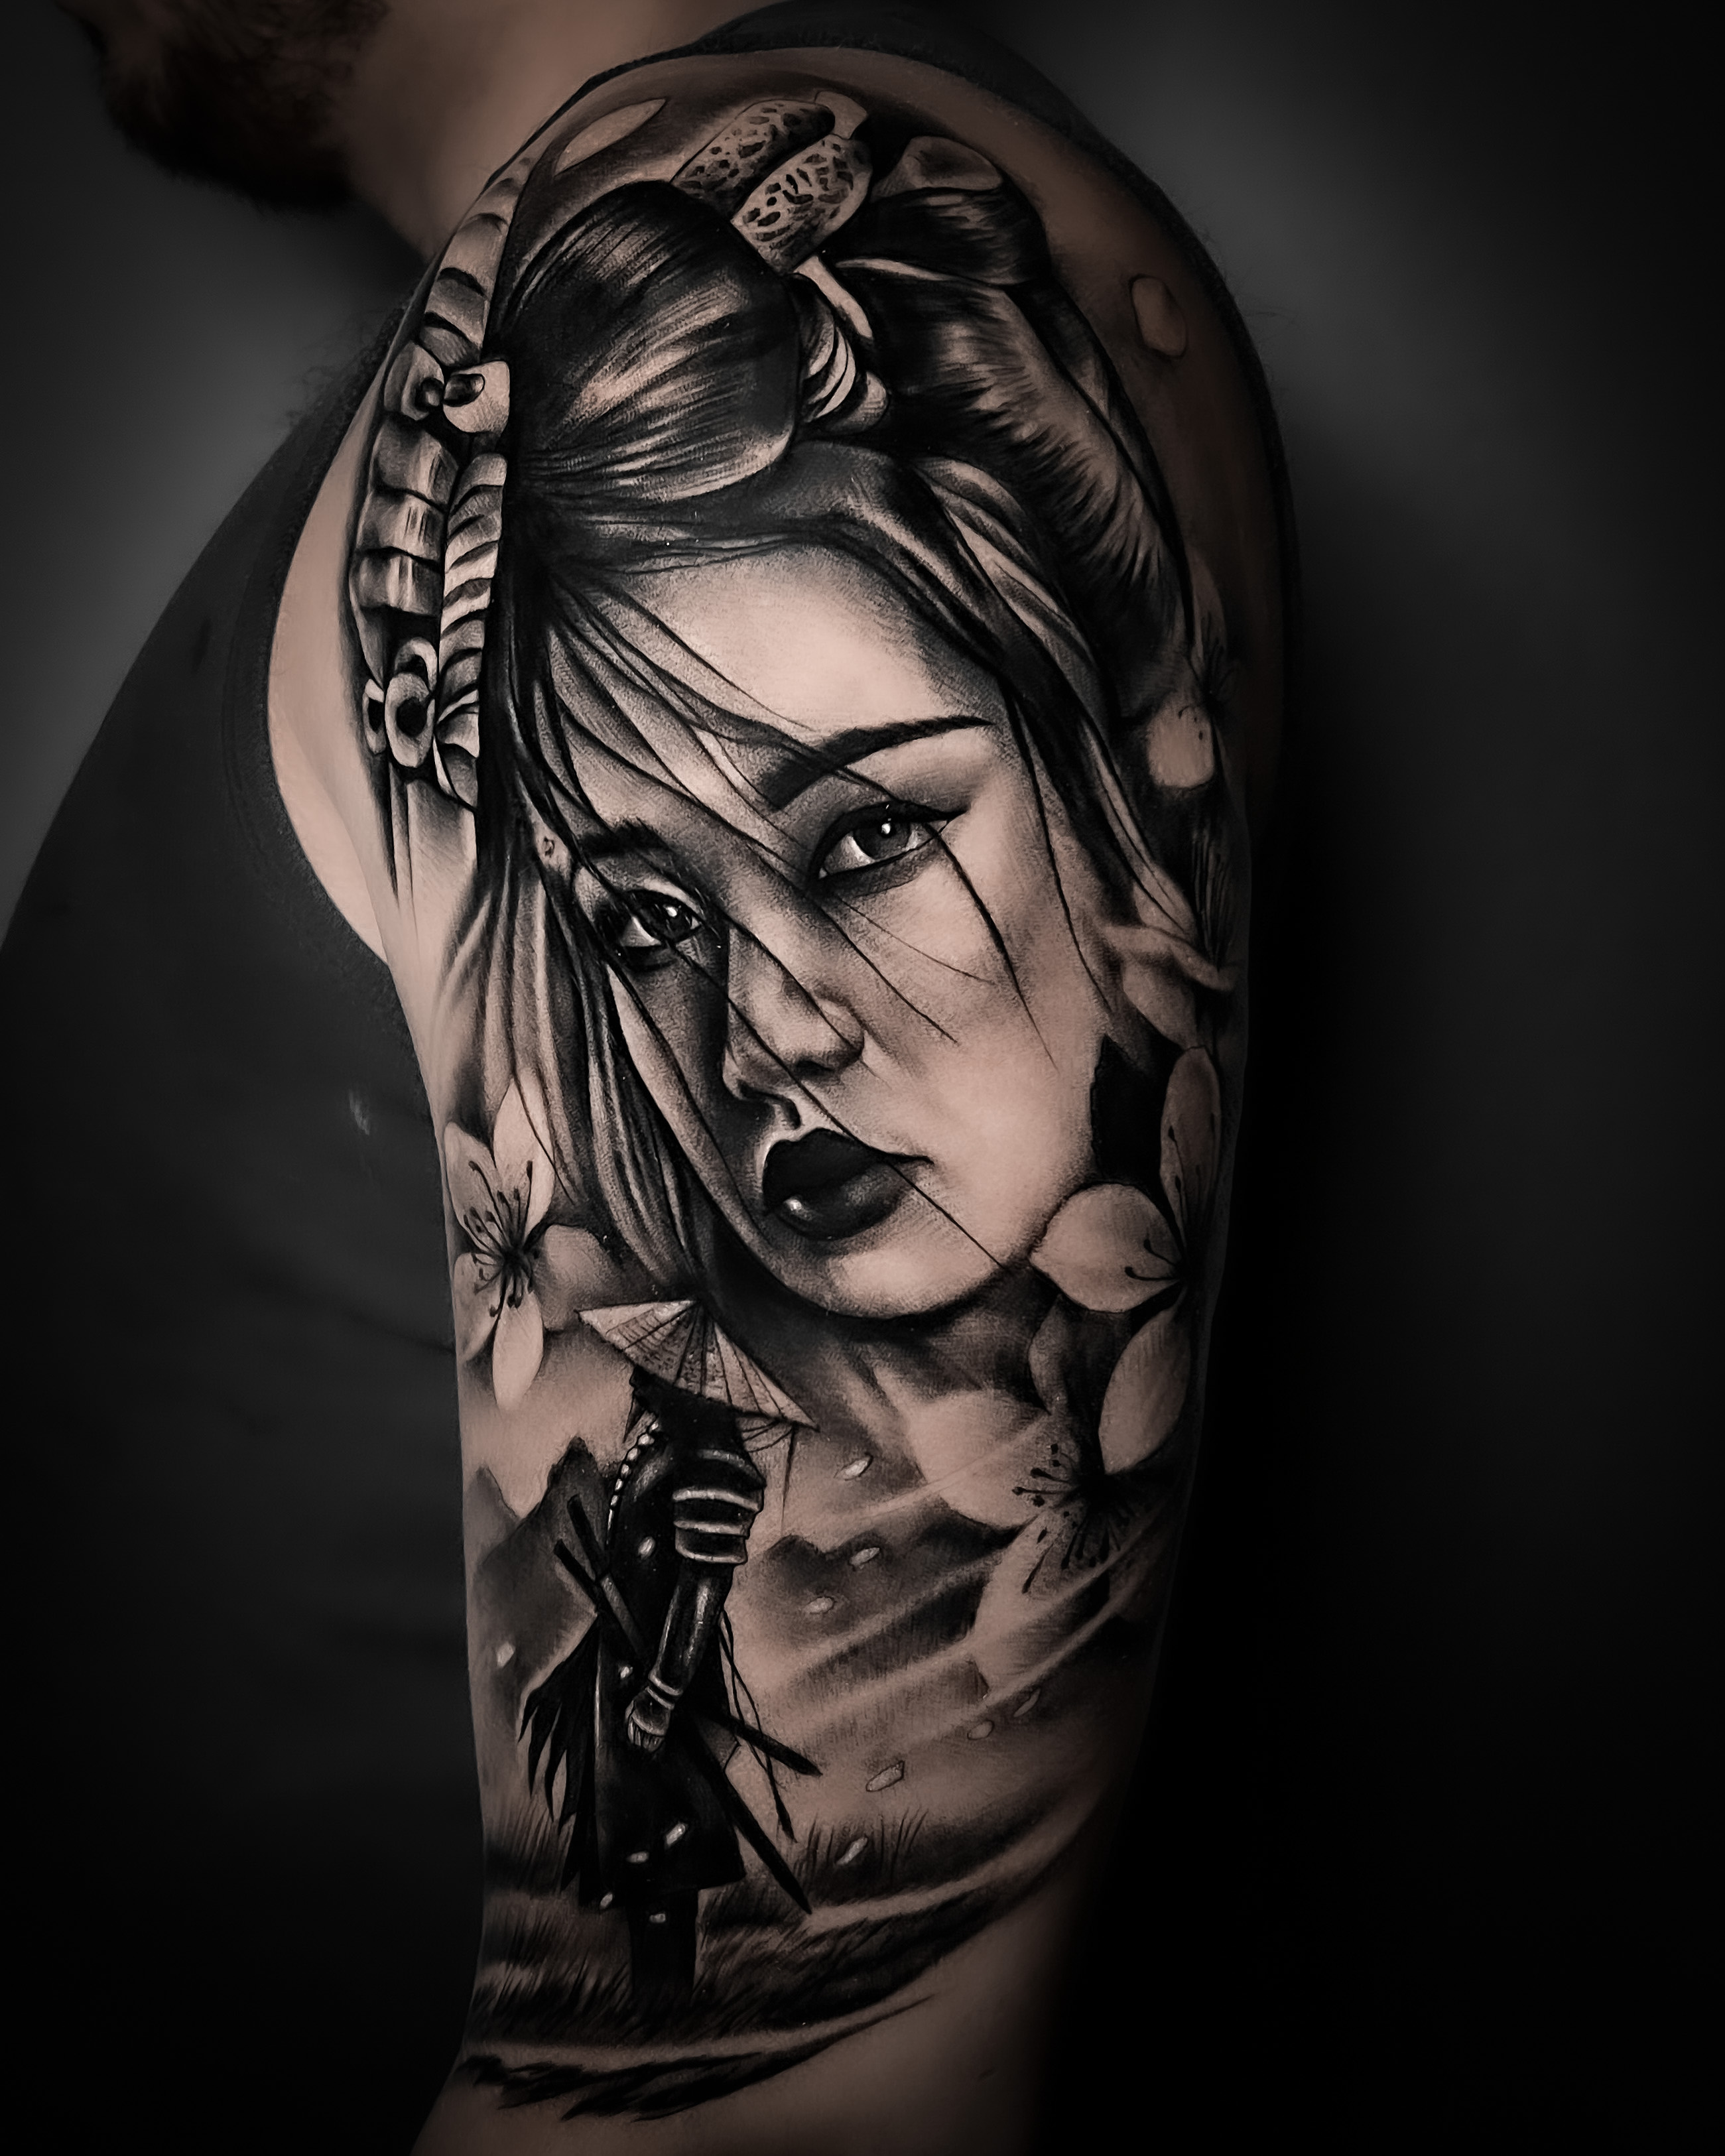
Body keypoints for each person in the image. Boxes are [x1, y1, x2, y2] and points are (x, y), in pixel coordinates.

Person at [11, 3, 1284, 2149]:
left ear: (1099, 767)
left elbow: (775, 2116)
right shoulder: (484, 429)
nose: (760, 1027)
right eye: (639, 922)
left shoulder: (718, 219)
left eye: (865, 840)